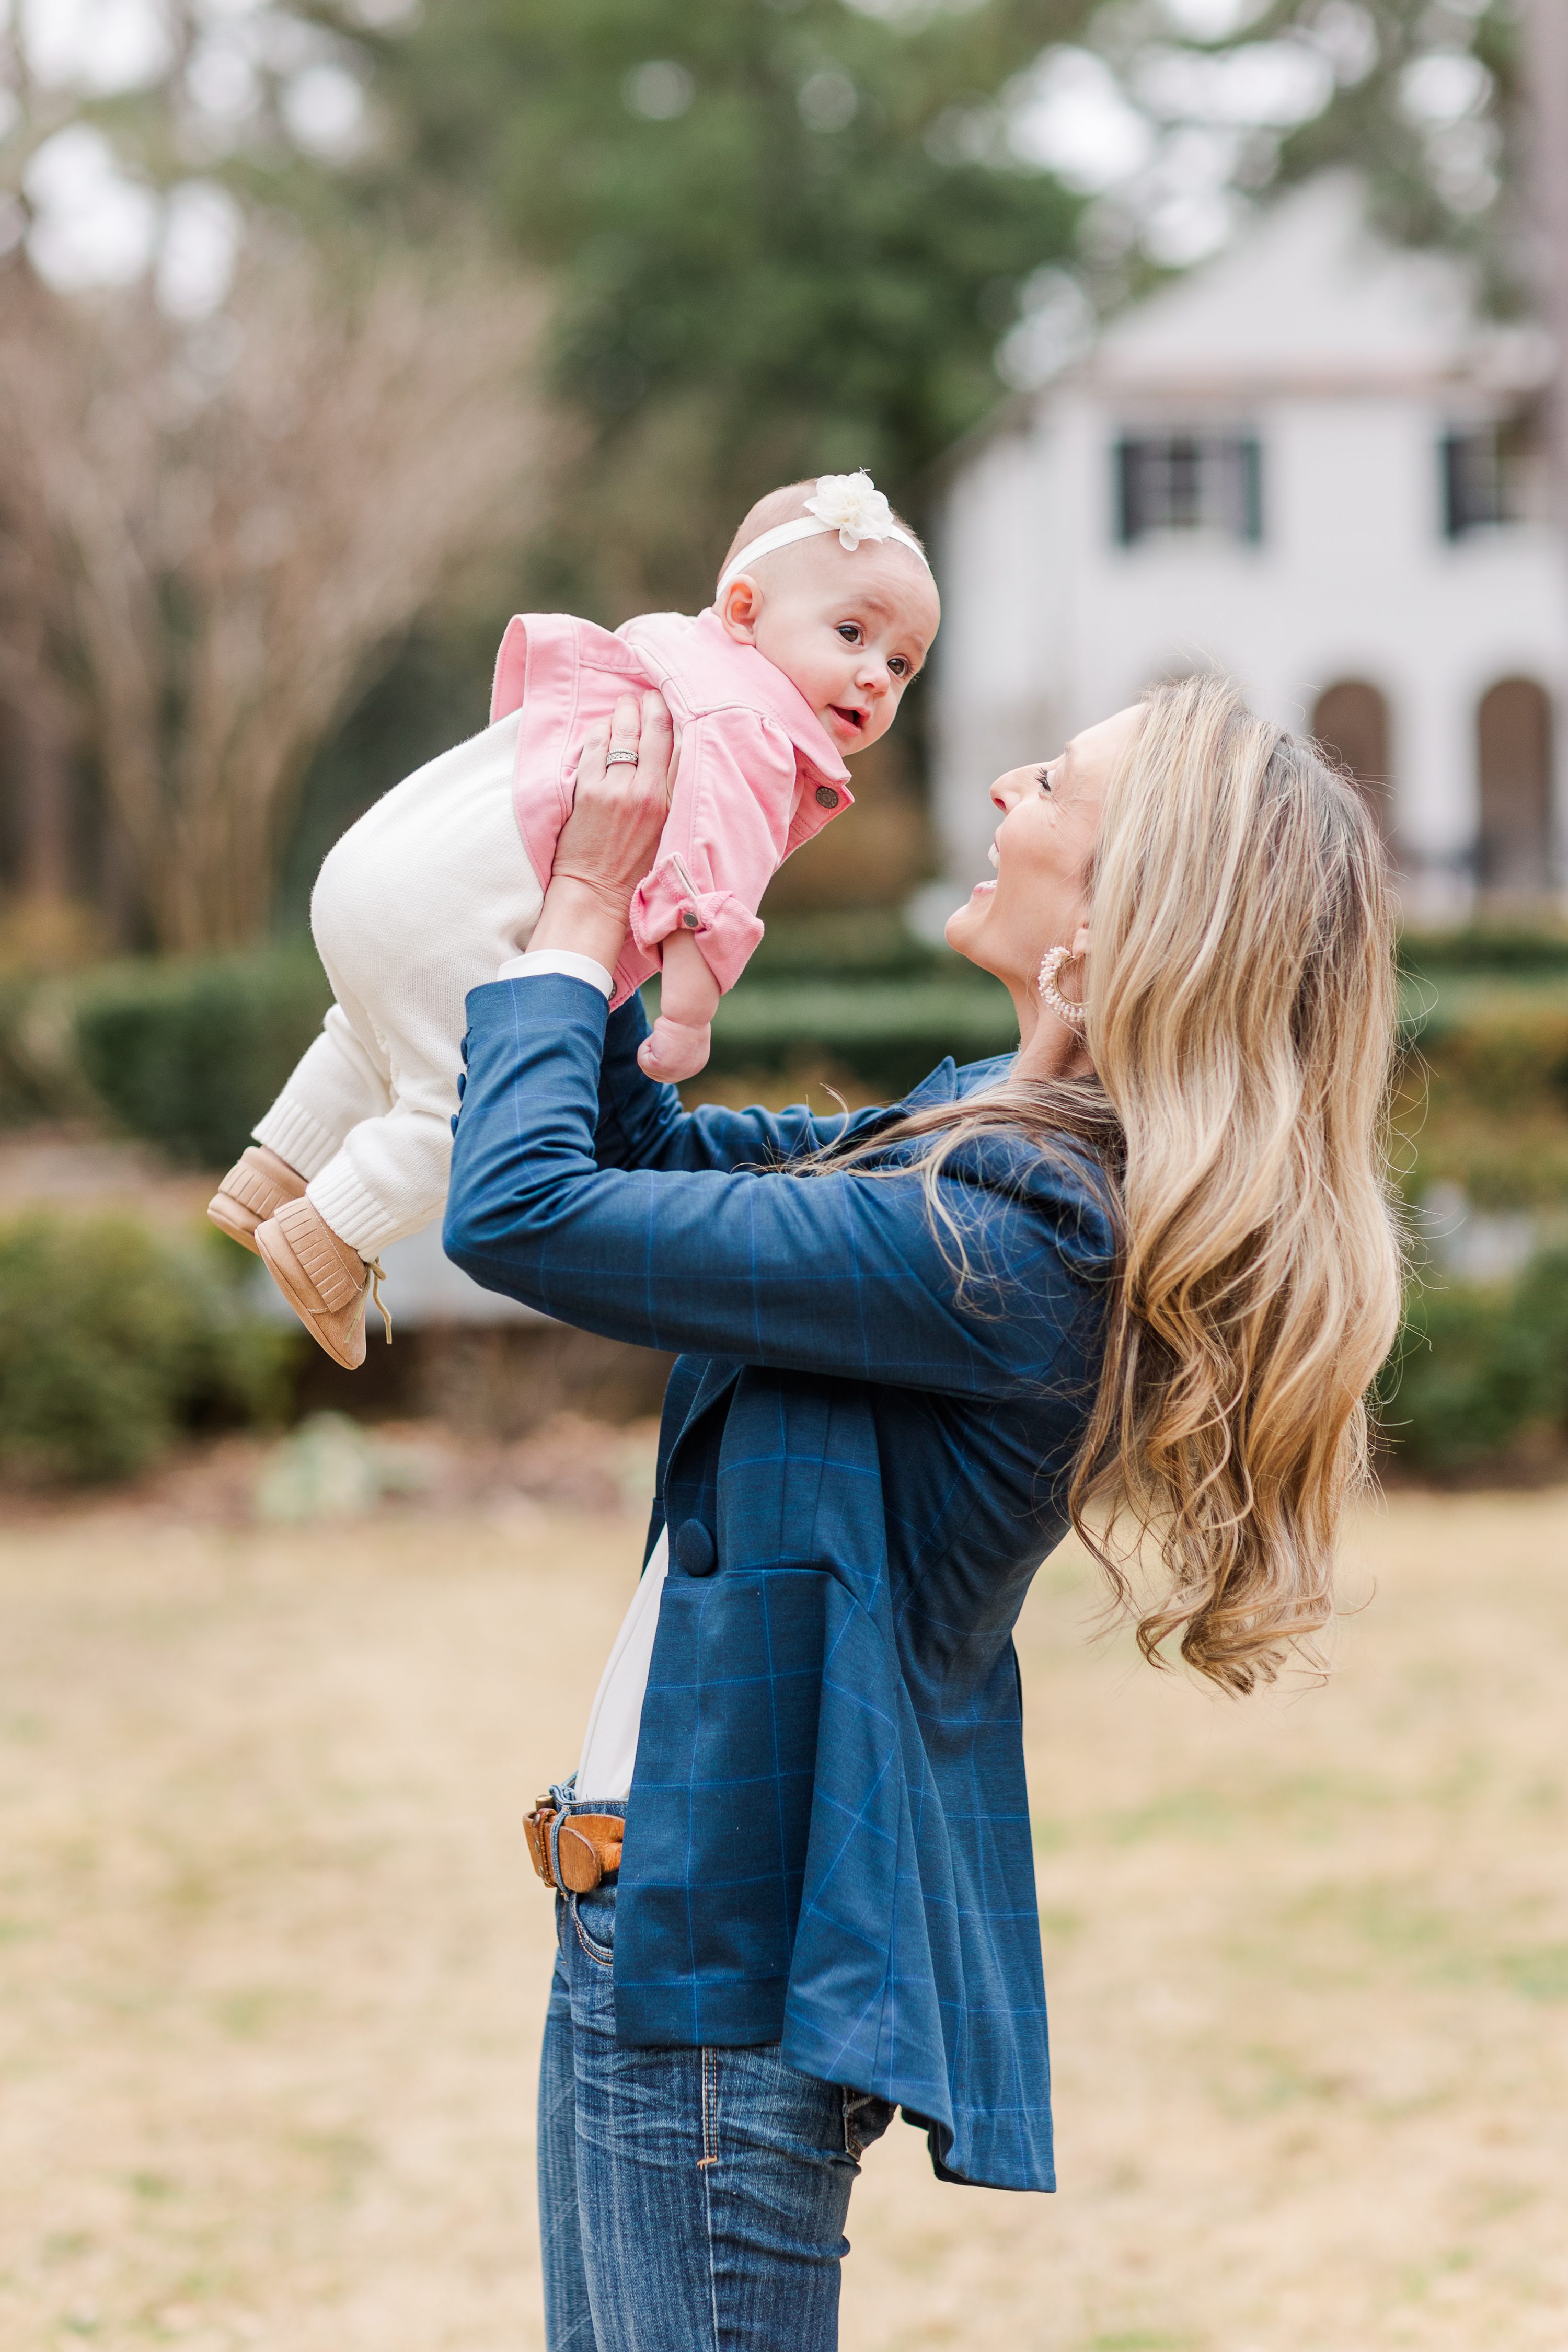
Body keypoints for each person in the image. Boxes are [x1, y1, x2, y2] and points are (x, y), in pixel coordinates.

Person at [442, 673, 1403, 2352]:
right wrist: (658, 890)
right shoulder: (963, 1147)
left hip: (718, 1992)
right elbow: (643, 1163)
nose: (1003, 785)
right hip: (641, 1919)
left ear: (1120, 917)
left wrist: (585, 902)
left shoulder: (1018, 1244)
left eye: (1057, 782)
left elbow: (530, 1210)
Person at [204, 471, 939, 1369]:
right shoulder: (752, 726)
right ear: (743, 609)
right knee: (465, 1100)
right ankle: (325, 1237)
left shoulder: (671, 650)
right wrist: (688, 1018)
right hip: (460, 914)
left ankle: (269, 1174)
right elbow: (706, 886)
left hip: (387, 864)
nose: (876, 673)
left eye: (902, 665)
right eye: (853, 633)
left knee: (370, 1030)